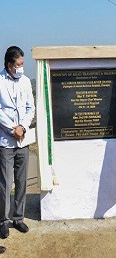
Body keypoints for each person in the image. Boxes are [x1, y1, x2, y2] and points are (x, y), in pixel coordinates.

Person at [0, 46, 35, 239]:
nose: (22, 67)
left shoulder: (26, 82)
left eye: (23, 64)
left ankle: (18, 218)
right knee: (5, 183)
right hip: (5, 140)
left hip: (22, 140)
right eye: (19, 64)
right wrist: (11, 129)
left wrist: (22, 126)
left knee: (21, 181)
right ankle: (3, 221)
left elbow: (31, 107)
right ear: (9, 65)